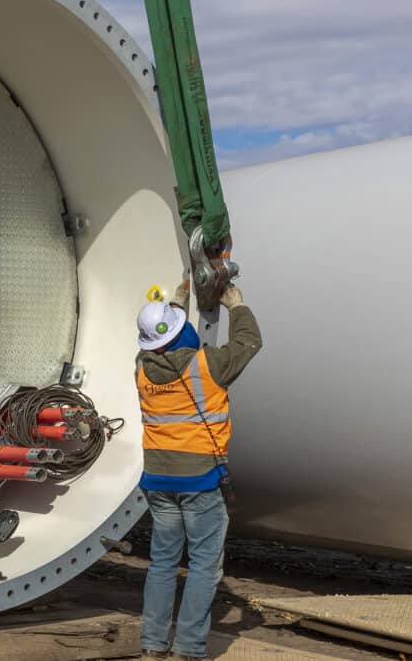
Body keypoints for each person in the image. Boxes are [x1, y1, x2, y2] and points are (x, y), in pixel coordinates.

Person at [135, 280, 262, 660]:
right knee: (204, 566)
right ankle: (188, 649)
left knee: (162, 564)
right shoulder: (208, 364)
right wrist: (236, 306)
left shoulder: (141, 368)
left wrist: (176, 302)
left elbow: (163, 339)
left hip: (158, 481)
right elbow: (249, 343)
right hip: (200, 480)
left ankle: (153, 647)